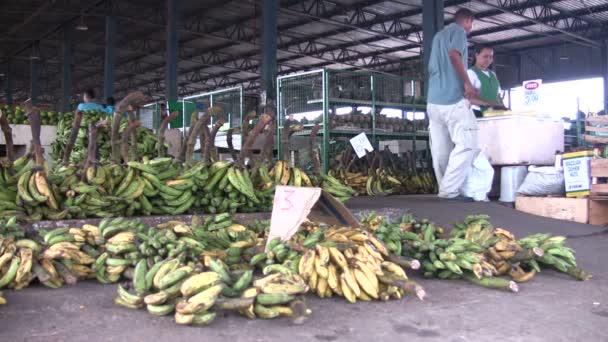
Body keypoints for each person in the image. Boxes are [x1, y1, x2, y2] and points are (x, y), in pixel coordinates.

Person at [426, 8, 480, 201]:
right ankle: (449, 191)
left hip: (433, 101)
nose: (470, 28)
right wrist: (467, 82)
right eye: (470, 24)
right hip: (452, 100)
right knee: (468, 143)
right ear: (467, 20)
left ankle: (445, 188)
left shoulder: (438, 36)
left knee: (441, 148)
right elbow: (454, 55)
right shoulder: (458, 32)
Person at [467, 45, 505, 118]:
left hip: (494, 113)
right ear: (477, 55)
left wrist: (503, 106)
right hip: (477, 113)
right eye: (485, 56)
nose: (488, 59)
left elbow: (498, 95)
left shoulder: (493, 74)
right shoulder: (470, 73)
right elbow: (468, 98)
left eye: (490, 57)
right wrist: (487, 104)